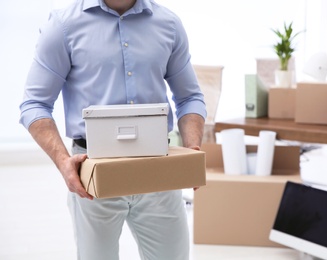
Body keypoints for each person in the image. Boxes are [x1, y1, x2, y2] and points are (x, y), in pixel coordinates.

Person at [19, 0, 206, 259]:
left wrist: (192, 148)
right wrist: (63, 162)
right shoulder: (63, 26)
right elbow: (35, 104)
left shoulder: (169, 24)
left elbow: (189, 98)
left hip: (159, 171)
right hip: (93, 173)